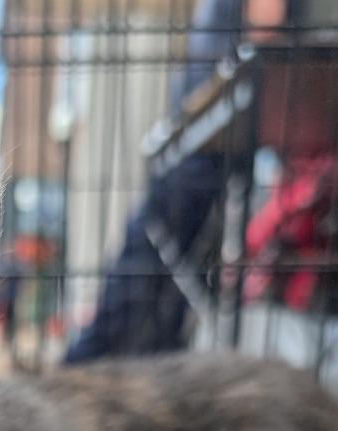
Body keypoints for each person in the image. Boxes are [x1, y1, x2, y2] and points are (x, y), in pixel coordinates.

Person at [65, 0, 289, 362]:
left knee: (157, 257)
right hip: (212, 128)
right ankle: (87, 359)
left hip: (204, 124)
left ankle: (98, 356)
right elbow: (266, 26)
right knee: (157, 254)